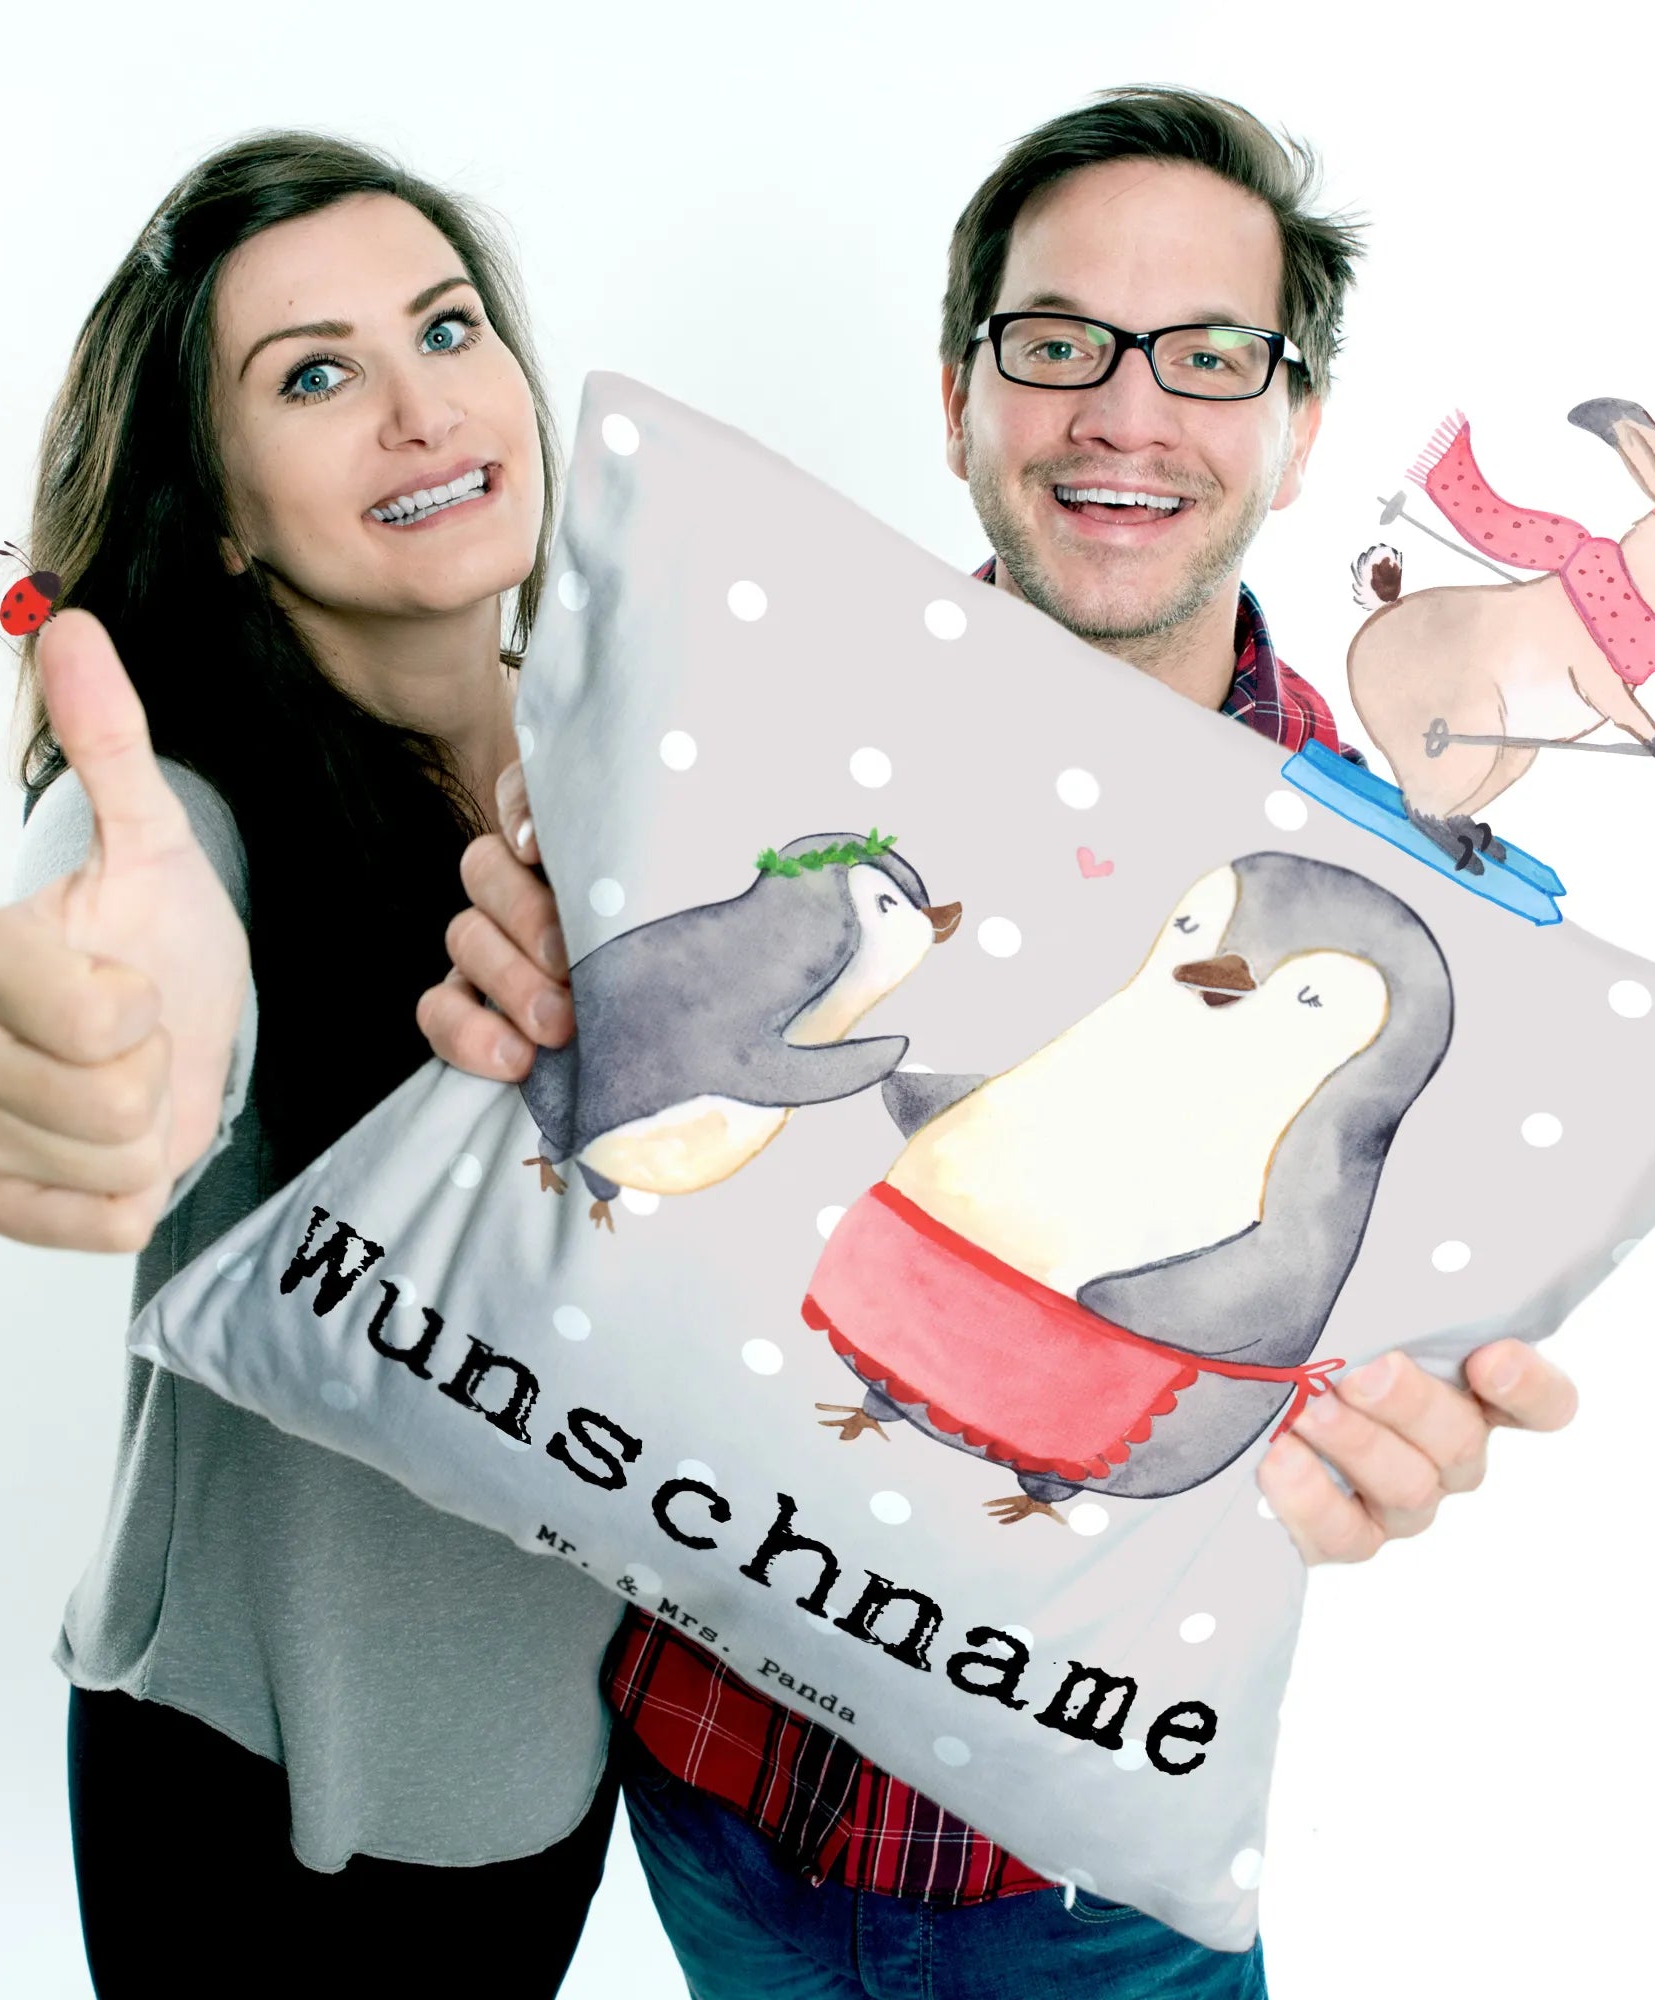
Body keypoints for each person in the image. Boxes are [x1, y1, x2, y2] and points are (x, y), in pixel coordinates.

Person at [420, 87, 1581, 1997]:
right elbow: (599, 1182)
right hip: (705, 1800)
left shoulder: (1410, 911)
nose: (1127, 412)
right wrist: (527, 1030)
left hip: (1090, 1889)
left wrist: (1390, 1437)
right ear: (959, 398)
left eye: (1210, 355)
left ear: (1297, 434)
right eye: (1058, 344)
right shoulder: (739, 734)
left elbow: (1332, 1336)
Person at [0, 135, 624, 1995]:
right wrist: (97, 1037)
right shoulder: (187, 810)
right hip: (260, 1801)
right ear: (222, 513)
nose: (419, 409)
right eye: (313, 375)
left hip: (552, 1768)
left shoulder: (632, 772)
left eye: (446, 329)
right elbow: (131, 934)